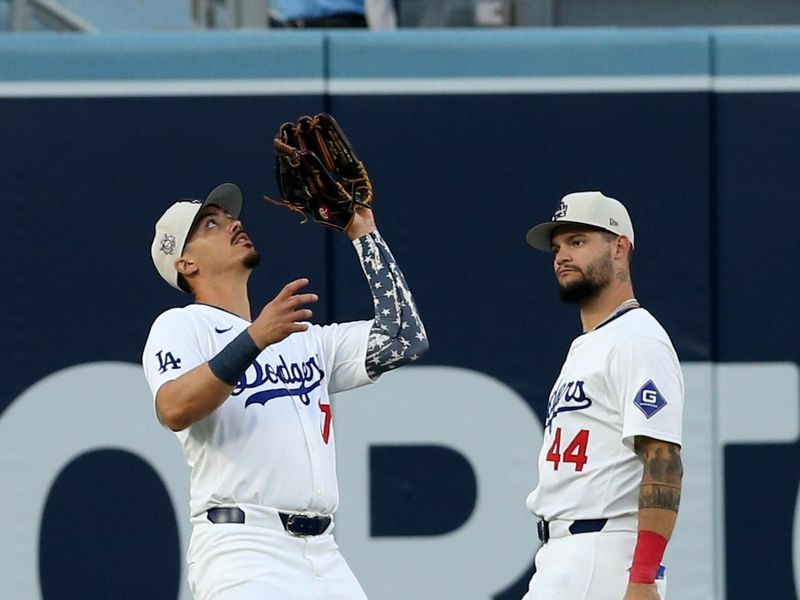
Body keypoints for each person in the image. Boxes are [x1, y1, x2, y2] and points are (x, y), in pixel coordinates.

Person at [142, 182, 428, 600]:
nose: (232, 224)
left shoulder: (299, 338)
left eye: (228, 217)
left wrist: (363, 233)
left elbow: (404, 340)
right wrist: (255, 338)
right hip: (243, 547)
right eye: (210, 224)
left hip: (324, 553)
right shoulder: (182, 326)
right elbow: (174, 408)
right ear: (185, 263)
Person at [522, 191, 684, 600]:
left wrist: (644, 577)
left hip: (604, 552)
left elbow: (663, 461)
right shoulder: (591, 343)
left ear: (619, 248)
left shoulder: (638, 340)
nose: (561, 256)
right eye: (557, 247)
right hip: (565, 554)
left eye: (577, 241)